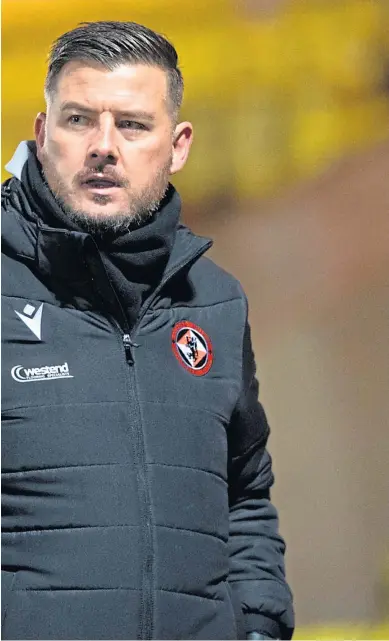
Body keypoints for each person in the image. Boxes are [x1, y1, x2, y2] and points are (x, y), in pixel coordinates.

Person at [1, 21, 294, 641]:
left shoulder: (215, 300)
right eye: (78, 120)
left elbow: (245, 493)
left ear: (179, 144)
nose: (103, 146)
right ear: (42, 132)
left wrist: (261, 625)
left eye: (133, 125)